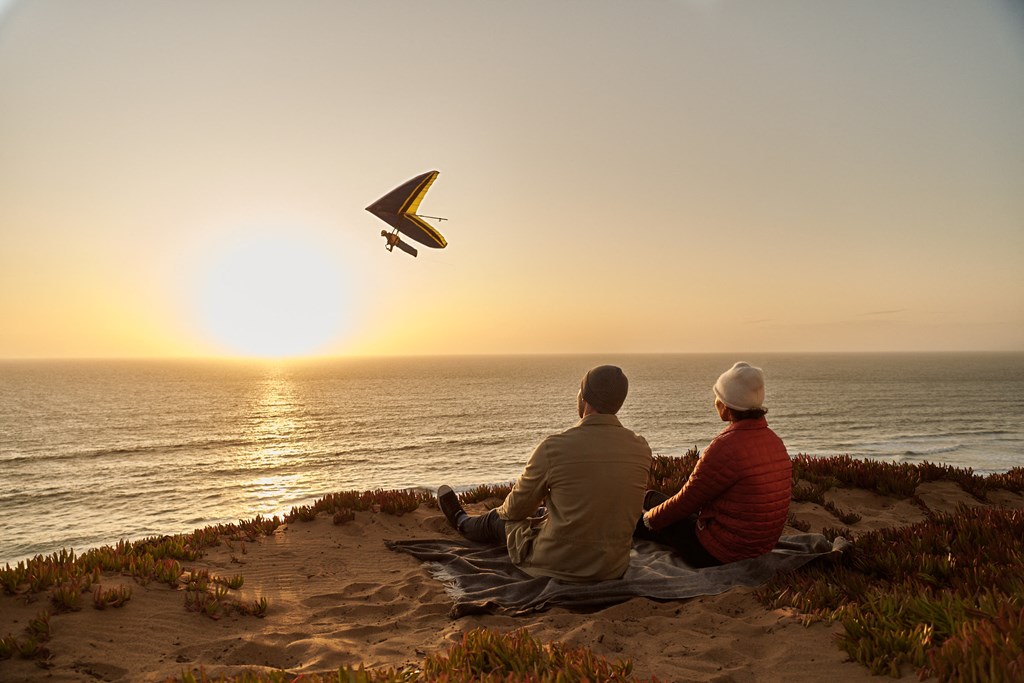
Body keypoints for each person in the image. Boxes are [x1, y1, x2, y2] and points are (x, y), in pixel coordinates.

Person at [437, 365, 653, 583]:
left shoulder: (555, 448)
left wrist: (507, 512)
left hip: (559, 564)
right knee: (545, 511)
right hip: (612, 567)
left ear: (584, 398)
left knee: (498, 520)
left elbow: (515, 510)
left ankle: (460, 520)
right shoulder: (641, 448)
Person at [635, 361, 792, 568]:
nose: (715, 401)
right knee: (654, 499)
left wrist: (649, 521)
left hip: (718, 553)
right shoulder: (774, 440)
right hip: (760, 546)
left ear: (727, 405)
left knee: (649, 508)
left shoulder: (725, 446)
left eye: (718, 396)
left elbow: (687, 501)